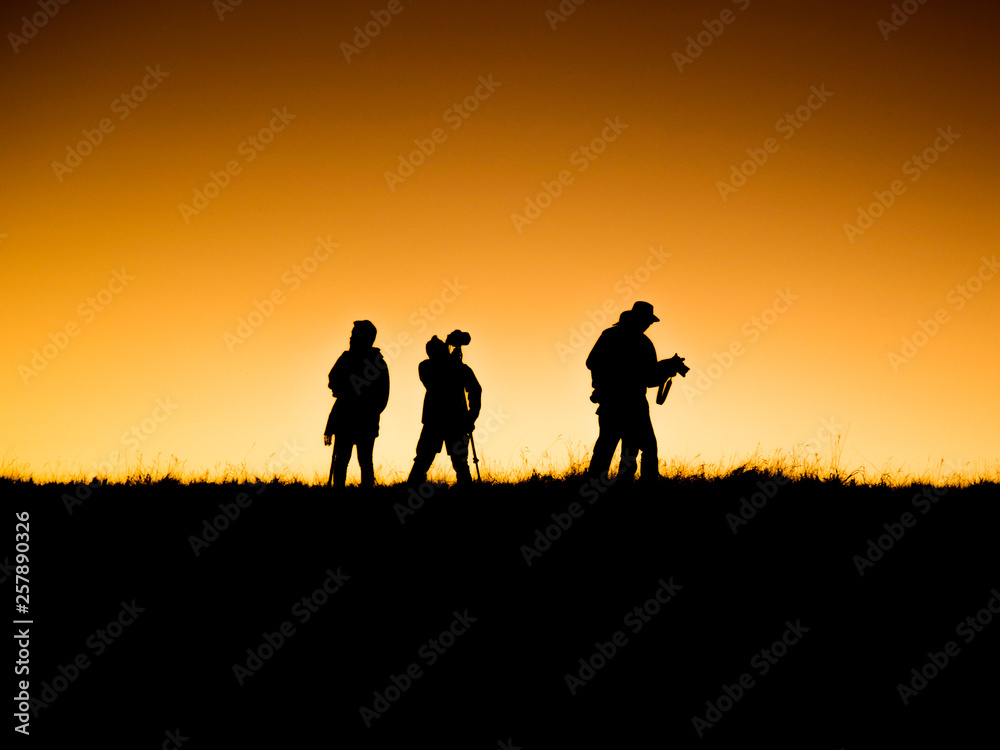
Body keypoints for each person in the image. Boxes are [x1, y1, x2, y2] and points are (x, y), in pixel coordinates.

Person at [586, 301, 663, 483]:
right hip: (631, 403)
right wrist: (662, 373)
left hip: (612, 402)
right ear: (640, 319)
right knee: (641, 447)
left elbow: (591, 362)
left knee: (608, 445)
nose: (649, 325)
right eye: (648, 321)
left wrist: (663, 372)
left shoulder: (610, 335)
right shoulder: (643, 342)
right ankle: (643, 487)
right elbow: (648, 378)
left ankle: (594, 486)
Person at [407, 332, 482, 486]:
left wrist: (471, 416)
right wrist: (454, 363)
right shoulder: (426, 367)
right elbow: (436, 382)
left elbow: (475, 390)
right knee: (423, 459)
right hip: (440, 420)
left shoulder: (457, 367)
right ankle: (411, 489)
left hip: (451, 420)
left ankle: (465, 490)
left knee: (459, 463)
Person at [323, 320, 390, 489]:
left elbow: (382, 395)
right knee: (342, 460)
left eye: (355, 335)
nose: (351, 338)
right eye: (351, 335)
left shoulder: (377, 363)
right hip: (345, 418)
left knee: (365, 460)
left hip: (364, 420)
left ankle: (366, 493)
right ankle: (339, 492)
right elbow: (332, 380)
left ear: (366, 338)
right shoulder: (346, 358)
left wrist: (371, 410)